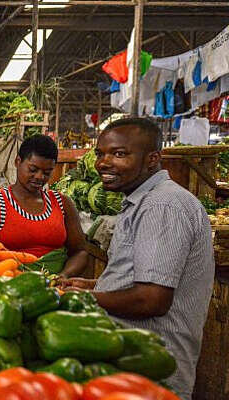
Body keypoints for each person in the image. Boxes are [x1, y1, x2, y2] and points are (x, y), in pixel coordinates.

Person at [61, 118, 213, 399]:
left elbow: (152, 299)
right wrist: (94, 285)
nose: (103, 163)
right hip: (131, 357)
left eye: (119, 154)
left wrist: (83, 299)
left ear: (152, 159)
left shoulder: (162, 206)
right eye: (100, 153)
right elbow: (143, 274)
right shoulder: (141, 200)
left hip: (152, 367)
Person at [0, 135, 89, 277]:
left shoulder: (63, 203)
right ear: (18, 162)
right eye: (33, 169)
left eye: (47, 172)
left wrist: (63, 277)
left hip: (56, 288)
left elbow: (80, 252)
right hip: (8, 285)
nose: (40, 177)